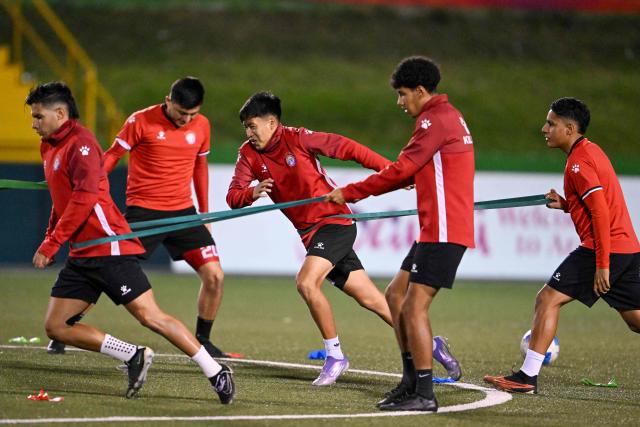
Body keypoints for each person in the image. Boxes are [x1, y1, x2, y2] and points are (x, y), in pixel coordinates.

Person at [227, 91, 461, 387]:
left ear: (272, 122)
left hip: (334, 223)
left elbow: (347, 148)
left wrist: (390, 172)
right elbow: (233, 196)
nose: (248, 133)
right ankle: (432, 344)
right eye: (245, 128)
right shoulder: (247, 154)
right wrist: (251, 192)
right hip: (310, 235)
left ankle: (335, 356)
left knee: (306, 282)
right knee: (373, 300)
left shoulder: (299, 138)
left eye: (252, 126)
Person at [26, 81, 235, 403]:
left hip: (109, 246)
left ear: (59, 113)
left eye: (38, 116)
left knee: (151, 316)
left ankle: (214, 369)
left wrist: (52, 243)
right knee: (56, 326)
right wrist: (51, 237)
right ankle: (133, 355)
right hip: (89, 247)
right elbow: (62, 198)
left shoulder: (80, 144)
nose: (34, 123)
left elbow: (84, 197)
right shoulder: (51, 145)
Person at [327, 56, 475, 412]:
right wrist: (409, 176)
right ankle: (410, 383)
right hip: (435, 228)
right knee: (395, 296)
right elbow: (412, 170)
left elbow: (401, 169)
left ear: (421, 92)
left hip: (443, 228)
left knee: (413, 307)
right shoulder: (448, 115)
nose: (400, 102)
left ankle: (424, 393)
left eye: (403, 94)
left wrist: (350, 192)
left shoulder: (432, 119)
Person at [484, 97, 640, 394]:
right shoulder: (588, 152)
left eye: (551, 123)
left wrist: (603, 264)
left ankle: (527, 377)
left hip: (604, 248)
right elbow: (598, 202)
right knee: (635, 320)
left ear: (570, 128)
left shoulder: (579, 162)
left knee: (547, 299)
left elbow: (600, 212)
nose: (544, 128)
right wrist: (567, 205)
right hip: (628, 248)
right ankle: (526, 376)